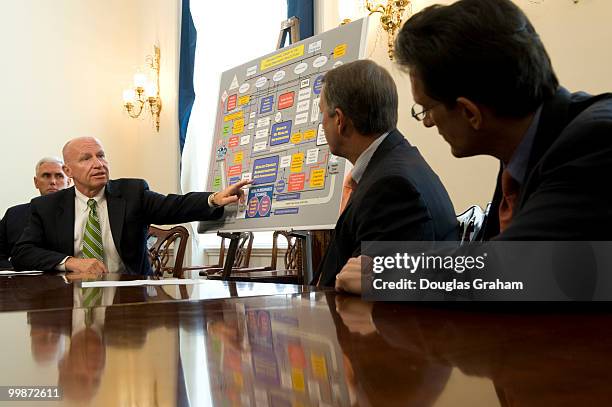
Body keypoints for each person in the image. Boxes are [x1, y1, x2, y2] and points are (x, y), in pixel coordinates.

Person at [335, 0, 612, 294]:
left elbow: (515, 264)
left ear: (470, 113)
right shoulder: (518, 151)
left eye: (426, 109)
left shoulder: (597, 140)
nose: (427, 123)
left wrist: (386, 274)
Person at [312, 60, 457, 287]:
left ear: (339, 120)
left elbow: (365, 291)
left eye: (322, 113)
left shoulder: (391, 187)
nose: (321, 123)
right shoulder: (394, 164)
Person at [12, 137, 249, 276]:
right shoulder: (47, 206)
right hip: (69, 299)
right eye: (86, 158)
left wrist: (214, 199)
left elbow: (174, 205)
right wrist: (71, 262)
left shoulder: (132, 193)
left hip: (130, 298)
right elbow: (23, 253)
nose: (99, 164)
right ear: (68, 171)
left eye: (101, 156)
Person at [0, 157, 69, 269]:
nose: (53, 182)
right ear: (36, 182)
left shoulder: (80, 212)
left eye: (59, 176)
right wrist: (16, 270)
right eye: (46, 176)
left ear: (69, 182)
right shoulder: (13, 214)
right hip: (22, 282)